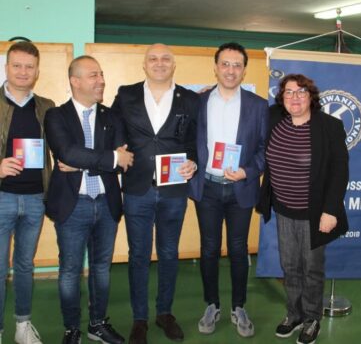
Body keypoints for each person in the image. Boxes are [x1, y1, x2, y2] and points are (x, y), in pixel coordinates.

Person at [112, 43, 198, 344]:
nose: (159, 63)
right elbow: (114, 128)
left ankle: (164, 313)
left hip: (173, 190)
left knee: (169, 253)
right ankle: (139, 319)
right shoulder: (126, 94)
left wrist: (194, 162)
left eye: (165, 59)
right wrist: (117, 148)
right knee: (138, 254)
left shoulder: (189, 99)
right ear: (144, 65)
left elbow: (195, 140)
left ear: (173, 65)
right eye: (153, 59)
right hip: (137, 188)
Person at [45, 55, 134, 344]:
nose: (101, 81)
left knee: (101, 269)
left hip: (106, 204)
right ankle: (72, 328)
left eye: (102, 74)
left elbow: (123, 161)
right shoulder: (56, 116)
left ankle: (98, 324)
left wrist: (84, 161)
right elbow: (67, 153)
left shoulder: (112, 116)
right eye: (94, 75)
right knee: (70, 271)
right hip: (73, 205)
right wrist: (106, 158)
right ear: (75, 81)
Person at [256, 74, 349, 344]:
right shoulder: (274, 118)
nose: (294, 97)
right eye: (288, 92)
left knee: (311, 268)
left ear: (311, 96)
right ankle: (293, 315)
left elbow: (339, 170)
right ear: (281, 97)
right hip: (284, 209)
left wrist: (331, 210)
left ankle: (312, 318)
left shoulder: (329, 126)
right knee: (290, 265)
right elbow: (246, 108)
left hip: (315, 212)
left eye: (301, 92)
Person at [189, 42, 268, 338]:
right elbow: (187, 142)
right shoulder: (198, 102)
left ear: (244, 70)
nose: (231, 70)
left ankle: (238, 306)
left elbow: (264, 149)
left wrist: (248, 170)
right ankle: (212, 304)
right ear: (216, 67)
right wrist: (190, 163)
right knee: (209, 249)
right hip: (207, 187)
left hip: (241, 189)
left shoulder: (258, 105)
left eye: (237, 65)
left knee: (238, 249)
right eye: (225, 64)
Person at [0, 41, 55, 344]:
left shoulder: (46, 106)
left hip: (35, 199)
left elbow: (61, 146)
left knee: (24, 265)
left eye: (29, 67)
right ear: (7, 67)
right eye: (17, 65)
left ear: (37, 71)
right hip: (2, 197)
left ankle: (23, 325)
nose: (23, 72)